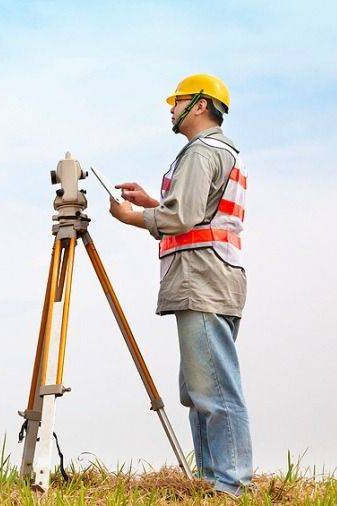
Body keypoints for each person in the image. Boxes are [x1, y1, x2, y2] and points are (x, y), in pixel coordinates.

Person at [107, 74, 253, 496]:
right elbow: (196, 213)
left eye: (177, 100)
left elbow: (182, 219)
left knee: (214, 387)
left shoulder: (201, 153)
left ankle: (229, 484)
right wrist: (154, 205)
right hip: (215, 276)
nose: (170, 108)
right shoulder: (220, 153)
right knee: (199, 385)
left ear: (201, 106)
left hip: (203, 279)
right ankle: (214, 480)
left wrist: (134, 217)